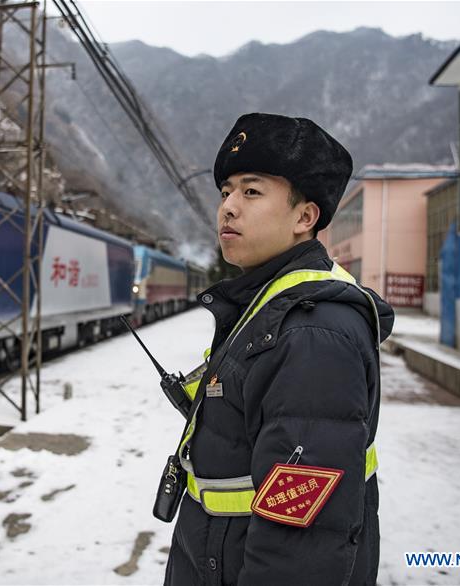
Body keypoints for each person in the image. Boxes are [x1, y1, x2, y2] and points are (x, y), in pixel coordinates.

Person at [162, 113, 394, 585]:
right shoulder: (269, 304)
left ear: (304, 218)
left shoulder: (313, 333)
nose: (228, 207)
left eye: (251, 192)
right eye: (226, 192)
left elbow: (302, 538)